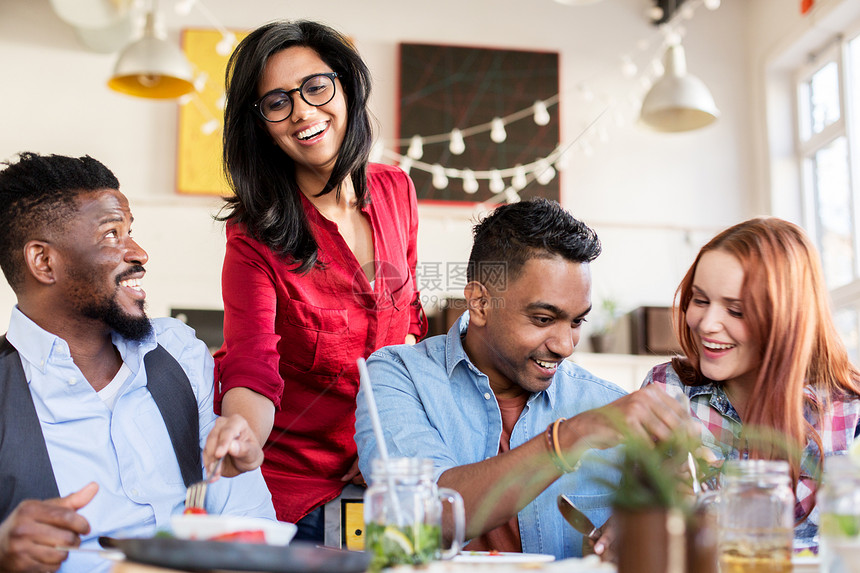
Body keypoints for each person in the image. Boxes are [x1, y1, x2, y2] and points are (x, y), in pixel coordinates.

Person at [354, 198, 691, 559]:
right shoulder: (397, 376)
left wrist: (644, 526)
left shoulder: (605, 402)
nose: (565, 346)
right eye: (544, 319)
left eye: (577, 322)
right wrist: (570, 437)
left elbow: (670, 515)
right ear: (480, 304)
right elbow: (433, 515)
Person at [0, 152, 275, 573]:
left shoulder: (178, 353)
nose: (140, 253)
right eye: (112, 234)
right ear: (44, 261)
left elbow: (250, 526)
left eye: (131, 232)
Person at [213, 19, 427, 542]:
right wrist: (241, 431)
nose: (304, 112)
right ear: (260, 123)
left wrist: (384, 435)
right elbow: (251, 363)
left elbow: (411, 325)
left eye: (315, 87)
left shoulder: (396, 189)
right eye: (277, 102)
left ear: (346, 85)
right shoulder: (254, 236)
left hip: (382, 480)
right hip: (293, 489)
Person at [641, 217, 860, 550]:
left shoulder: (850, 413)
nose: (708, 324)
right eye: (700, 301)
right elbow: (633, 533)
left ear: (787, 320)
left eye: (736, 311)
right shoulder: (666, 389)